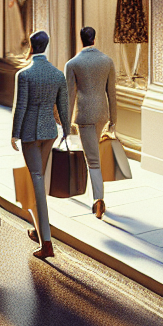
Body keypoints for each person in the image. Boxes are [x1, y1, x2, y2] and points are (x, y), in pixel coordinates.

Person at [11, 29, 70, 261]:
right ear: (46, 46)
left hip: (30, 134)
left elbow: (20, 107)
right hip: (50, 132)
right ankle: (38, 230)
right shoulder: (57, 74)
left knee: (36, 181)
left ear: (31, 46)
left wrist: (14, 134)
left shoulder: (25, 74)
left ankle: (47, 243)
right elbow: (63, 106)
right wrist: (66, 129)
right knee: (39, 180)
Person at [65, 25, 117, 219]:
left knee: (92, 160)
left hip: (85, 115)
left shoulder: (73, 63)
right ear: (94, 39)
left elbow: (69, 97)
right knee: (93, 155)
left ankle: (98, 200)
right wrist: (113, 120)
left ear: (81, 40)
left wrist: (66, 122)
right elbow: (112, 93)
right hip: (102, 114)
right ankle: (96, 197)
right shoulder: (107, 61)